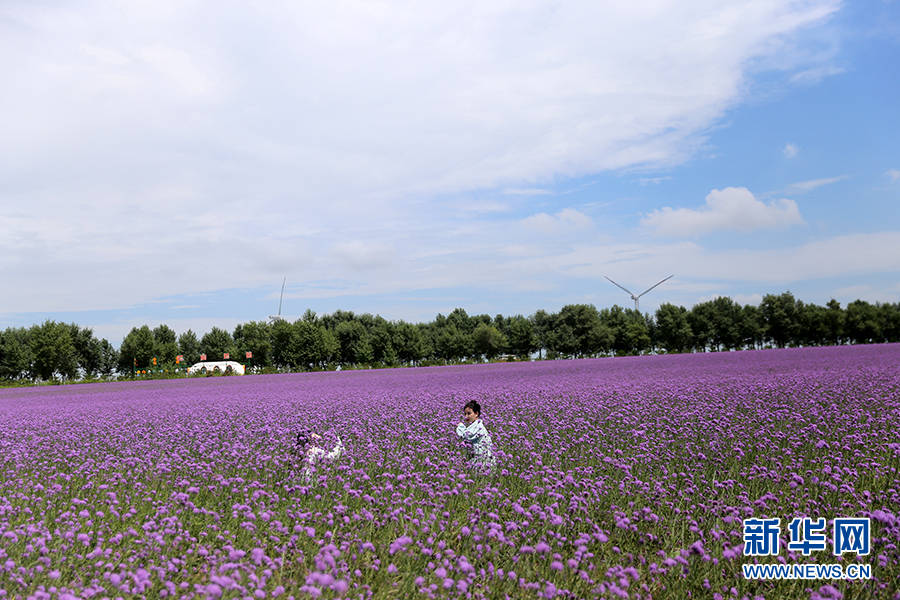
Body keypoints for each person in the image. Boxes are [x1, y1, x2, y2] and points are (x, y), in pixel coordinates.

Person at [455, 400, 496, 469]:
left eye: (469, 413)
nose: (466, 416)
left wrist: (460, 427)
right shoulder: (475, 425)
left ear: (476, 413)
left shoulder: (478, 426)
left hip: (483, 460)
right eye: (465, 414)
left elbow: (467, 436)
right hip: (479, 458)